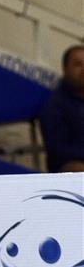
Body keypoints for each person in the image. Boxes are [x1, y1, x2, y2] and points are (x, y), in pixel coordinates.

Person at [38, 44, 84, 172]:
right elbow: (57, 149)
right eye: (78, 65)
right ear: (65, 69)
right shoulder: (55, 105)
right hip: (70, 166)